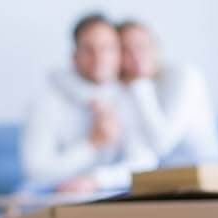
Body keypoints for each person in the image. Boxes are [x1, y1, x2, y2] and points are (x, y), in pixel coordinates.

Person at [21, 14, 158, 193]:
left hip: (108, 194)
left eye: (107, 48)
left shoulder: (127, 98)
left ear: (118, 54)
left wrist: (97, 180)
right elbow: (35, 171)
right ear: (75, 56)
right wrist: (92, 143)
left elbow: (144, 163)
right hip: (53, 195)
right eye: (88, 49)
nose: (99, 57)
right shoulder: (47, 102)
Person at [118, 20, 218, 165]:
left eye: (141, 46)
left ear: (156, 47)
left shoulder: (184, 76)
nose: (135, 56)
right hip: (161, 174)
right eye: (125, 50)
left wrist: (139, 86)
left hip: (209, 167)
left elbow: (162, 144)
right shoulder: (124, 88)